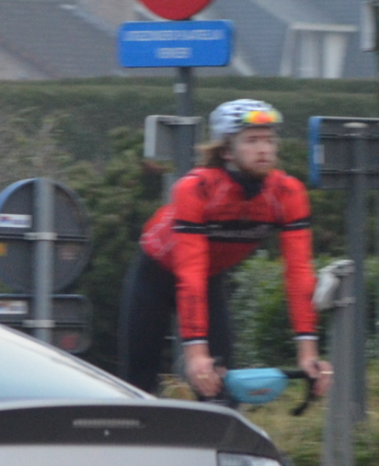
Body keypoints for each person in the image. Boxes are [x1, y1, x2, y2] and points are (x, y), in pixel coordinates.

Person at [122, 99, 332, 402]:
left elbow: (299, 272)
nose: (264, 149)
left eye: (269, 140)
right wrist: (195, 353)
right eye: (251, 141)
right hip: (154, 277)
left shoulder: (287, 192)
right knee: (138, 384)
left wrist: (308, 352)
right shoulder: (196, 188)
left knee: (221, 390)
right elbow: (190, 271)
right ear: (226, 151)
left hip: (209, 280)